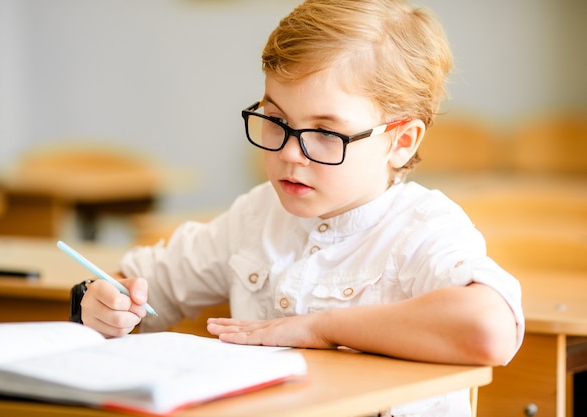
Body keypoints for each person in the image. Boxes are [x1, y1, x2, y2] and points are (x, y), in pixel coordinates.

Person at [75, 0, 524, 415]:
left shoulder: (423, 229)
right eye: (277, 121)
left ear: (400, 142)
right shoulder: (256, 216)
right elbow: (146, 288)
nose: (291, 153)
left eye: (326, 132)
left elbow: (490, 329)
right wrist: (107, 304)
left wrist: (323, 328)